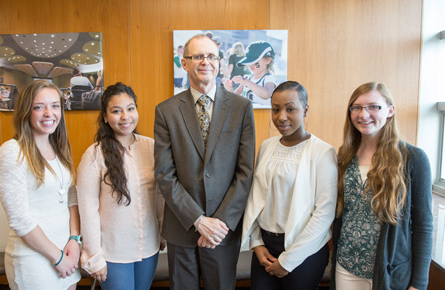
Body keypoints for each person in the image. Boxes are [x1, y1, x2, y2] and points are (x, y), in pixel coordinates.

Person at [154, 34, 256, 290]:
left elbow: (245, 172)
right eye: (197, 56)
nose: (205, 62)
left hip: (223, 230)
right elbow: (165, 174)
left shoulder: (241, 107)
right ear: (184, 62)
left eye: (211, 56)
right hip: (182, 227)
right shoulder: (166, 111)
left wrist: (218, 224)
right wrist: (199, 221)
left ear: (219, 62)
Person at [331, 82, 433, 290]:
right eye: (356, 107)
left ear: (390, 110)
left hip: (391, 272)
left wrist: (420, 283)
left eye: (373, 107)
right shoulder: (343, 156)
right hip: (346, 267)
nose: (363, 114)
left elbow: (423, 225)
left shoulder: (413, 158)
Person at [242, 81, 338, 290]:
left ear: (305, 109)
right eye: (275, 109)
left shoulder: (323, 152)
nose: (281, 116)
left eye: (290, 109)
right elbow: (256, 198)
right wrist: (257, 243)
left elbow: (324, 213)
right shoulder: (267, 146)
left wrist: (288, 260)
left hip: (304, 249)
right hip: (266, 247)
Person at [0, 80, 81, 290]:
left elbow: (71, 196)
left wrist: (75, 240)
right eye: (39, 107)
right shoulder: (12, 152)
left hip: (67, 253)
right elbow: (19, 219)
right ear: (26, 111)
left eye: (55, 105)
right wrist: (57, 258)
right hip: (34, 260)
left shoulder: (59, 149)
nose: (49, 113)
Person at [77, 82, 164, 290]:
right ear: (105, 117)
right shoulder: (94, 155)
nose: (125, 117)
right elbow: (88, 209)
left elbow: (159, 196)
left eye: (130, 108)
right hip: (113, 253)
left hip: (148, 248)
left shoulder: (151, 147)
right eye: (116, 111)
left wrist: (162, 233)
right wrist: (93, 255)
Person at [223, 40, 277, 108]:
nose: (251, 64)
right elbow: (235, 99)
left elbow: (266, 94)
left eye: (255, 61)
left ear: (268, 60)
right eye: (249, 61)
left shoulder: (269, 79)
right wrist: (230, 89)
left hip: (263, 116)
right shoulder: (247, 78)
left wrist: (246, 82)